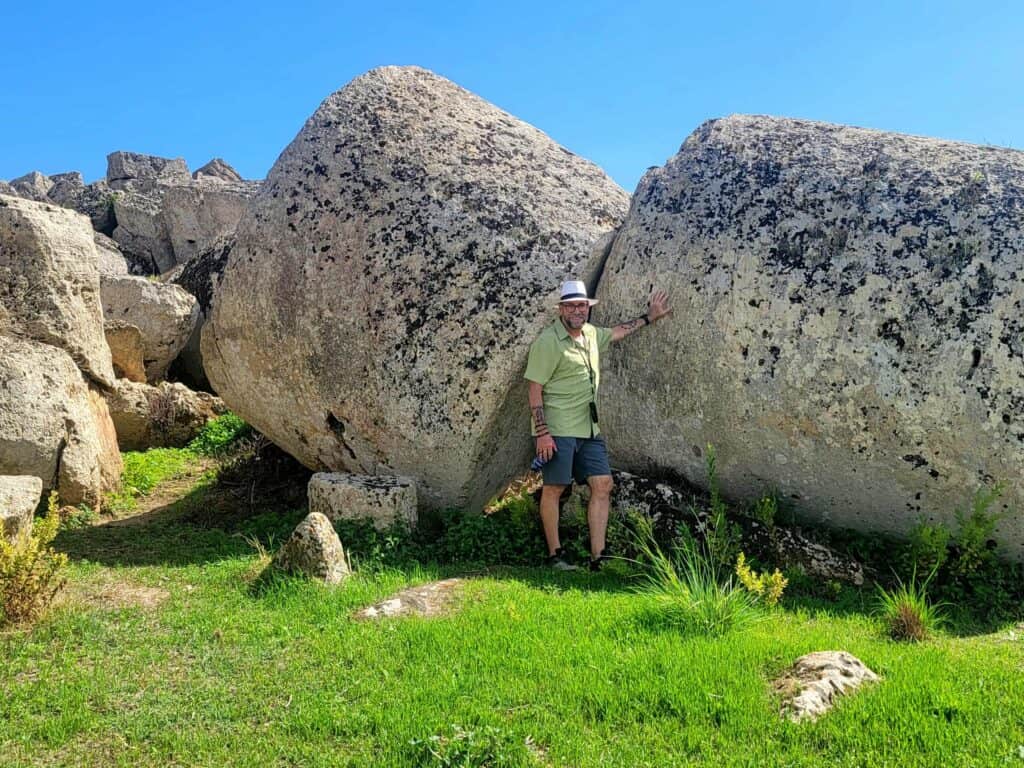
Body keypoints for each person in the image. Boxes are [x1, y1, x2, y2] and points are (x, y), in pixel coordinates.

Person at [525, 279, 671, 570]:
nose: (578, 310)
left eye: (582, 305)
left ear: (587, 308)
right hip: (558, 428)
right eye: (571, 306)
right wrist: (543, 434)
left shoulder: (590, 334)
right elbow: (534, 390)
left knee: (603, 484)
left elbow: (617, 332)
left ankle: (599, 558)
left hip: (589, 428)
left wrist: (648, 317)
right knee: (554, 487)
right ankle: (555, 555)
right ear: (561, 310)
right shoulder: (548, 342)